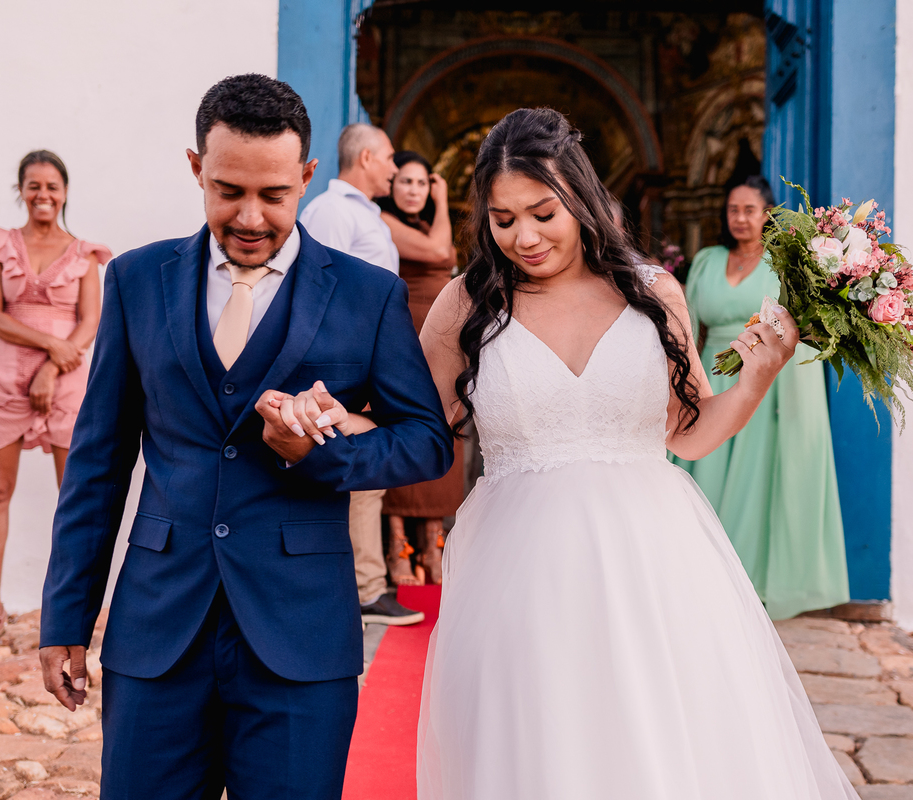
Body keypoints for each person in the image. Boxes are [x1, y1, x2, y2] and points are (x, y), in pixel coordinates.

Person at [274, 109, 859, 798]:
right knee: (543, 750)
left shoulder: (653, 293)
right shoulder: (467, 304)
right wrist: (336, 421)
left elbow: (690, 432)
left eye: (543, 212)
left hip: (658, 564)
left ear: (581, 198)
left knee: (662, 748)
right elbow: (418, 432)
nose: (524, 236)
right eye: (502, 218)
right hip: (521, 574)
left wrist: (758, 378)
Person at [37, 74, 451, 800]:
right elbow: (99, 466)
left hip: (301, 636)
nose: (251, 216)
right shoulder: (135, 280)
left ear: (307, 178)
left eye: (274, 195)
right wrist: (65, 617)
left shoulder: (367, 293)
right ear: (196, 168)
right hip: (157, 630)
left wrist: (326, 454)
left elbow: (426, 442)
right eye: (228, 191)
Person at [671, 175, 849, 620]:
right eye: (733, 209)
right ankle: (696, 574)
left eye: (750, 209)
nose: (740, 218)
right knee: (705, 468)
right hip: (714, 370)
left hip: (768, 379)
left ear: (767, 213)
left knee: (757, 474)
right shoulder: (708, 261)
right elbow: (689, 329)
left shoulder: (784, 261)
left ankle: (750, 580)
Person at [0, 151, 110, 654]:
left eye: (52, 186)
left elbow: (90, 324)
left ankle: (71, 613)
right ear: (21, 190)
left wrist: (52, 367)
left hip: (66, 380)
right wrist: (50, 346)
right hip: (8, 376)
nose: (42, 194)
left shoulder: (84, 254)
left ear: (65, 191)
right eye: (33, 185)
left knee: (74, 498)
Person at [300, 124, 426, 624]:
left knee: (369, 472)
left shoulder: (362, 213)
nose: (395, 168)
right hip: (342, 363)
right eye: (390, 157)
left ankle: (367, 584)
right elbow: (316, 289)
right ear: (368, 157)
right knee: (350, 470)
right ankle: (361, 588)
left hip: (370, 358)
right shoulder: (330, 211)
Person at [376, 151, 461, 585]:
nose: (414, 191)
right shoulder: (382, 220)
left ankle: (432, 540)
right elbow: (440, 254)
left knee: (446, 423)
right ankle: (397, 544)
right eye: (406, 182)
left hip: (443, 329)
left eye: (422, 184)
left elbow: (443, 256)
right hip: (404, 327)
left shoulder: (428, 223)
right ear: (391, 186)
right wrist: (444, 201)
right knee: (405, 420)